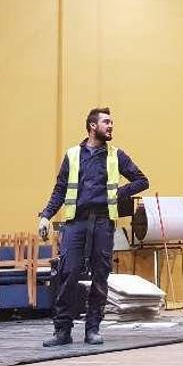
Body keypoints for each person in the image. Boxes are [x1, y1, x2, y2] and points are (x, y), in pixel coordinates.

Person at [38, 107, 149, 347]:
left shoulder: (116, 155)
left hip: (102, 222)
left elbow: (142, 181)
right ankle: (62, 331)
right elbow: (59, 189)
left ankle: (93, 329)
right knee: (68, 274)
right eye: (106, 122)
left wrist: (120, 193)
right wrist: (46, 216)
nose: (111, 126)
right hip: (75, 223)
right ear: (92, 126)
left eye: (111, 123)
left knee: (100, 276)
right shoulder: (72, 155)